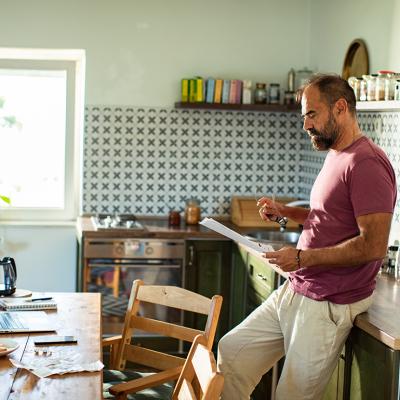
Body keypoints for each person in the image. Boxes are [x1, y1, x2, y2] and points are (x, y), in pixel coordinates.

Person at [217, 74, 397, 400]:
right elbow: (329, 218)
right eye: (304, 117)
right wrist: (286, 212)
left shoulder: (367, 163)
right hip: (298, 289)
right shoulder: (337, 154)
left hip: (328, 303)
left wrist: (300, 257)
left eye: (311, 115)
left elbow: (373, 246)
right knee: (232, 352)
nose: (306, 126)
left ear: (340, 108)